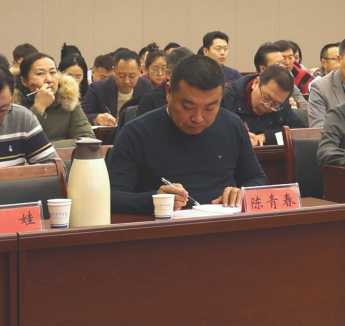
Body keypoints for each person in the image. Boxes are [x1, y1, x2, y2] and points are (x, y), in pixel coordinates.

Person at [106, 54, 267, 214]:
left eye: (210, 108)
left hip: (223, 223)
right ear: (169, 92)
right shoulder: (137, 133)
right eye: (188, 107)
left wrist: (242, 192)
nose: (198, 118)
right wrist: (155, 200)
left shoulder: (232, 125)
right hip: (164, 227)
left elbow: (258, 179)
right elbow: (111, 196)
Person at [11, 52, 95, 143]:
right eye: (40, 73)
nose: (49, 79)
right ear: (24, 81)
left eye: (53, 72)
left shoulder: (67, 99)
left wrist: (44, 148)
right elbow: (18, 143)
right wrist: (39, 107)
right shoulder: (12, 104)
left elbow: (87, 139)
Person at [223, 64, 307, 145]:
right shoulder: (227, 98)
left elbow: (301, 131)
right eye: (266, 98)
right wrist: (238, 137)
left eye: (275, 104)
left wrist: (266, 136)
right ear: (256, 83)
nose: (267, 106)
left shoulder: (281, 103)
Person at [82, 49, 143, 131]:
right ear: (114, 71)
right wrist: (97, 118)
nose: (127, 81)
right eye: (121, 75)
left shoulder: (145, 86)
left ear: (139, 71)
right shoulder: (98, 88)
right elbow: (81, 116)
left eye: (132, 76)